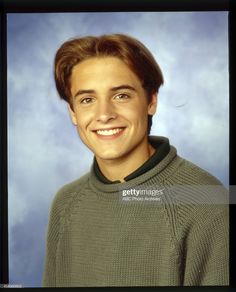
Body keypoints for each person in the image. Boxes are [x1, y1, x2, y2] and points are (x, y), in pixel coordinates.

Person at [42, 34, 229, 287]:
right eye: (87, 100)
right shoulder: (65, 203)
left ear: (151, 100)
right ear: (73, 113)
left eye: (121, 96)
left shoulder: (207, 198)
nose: (104, 114)